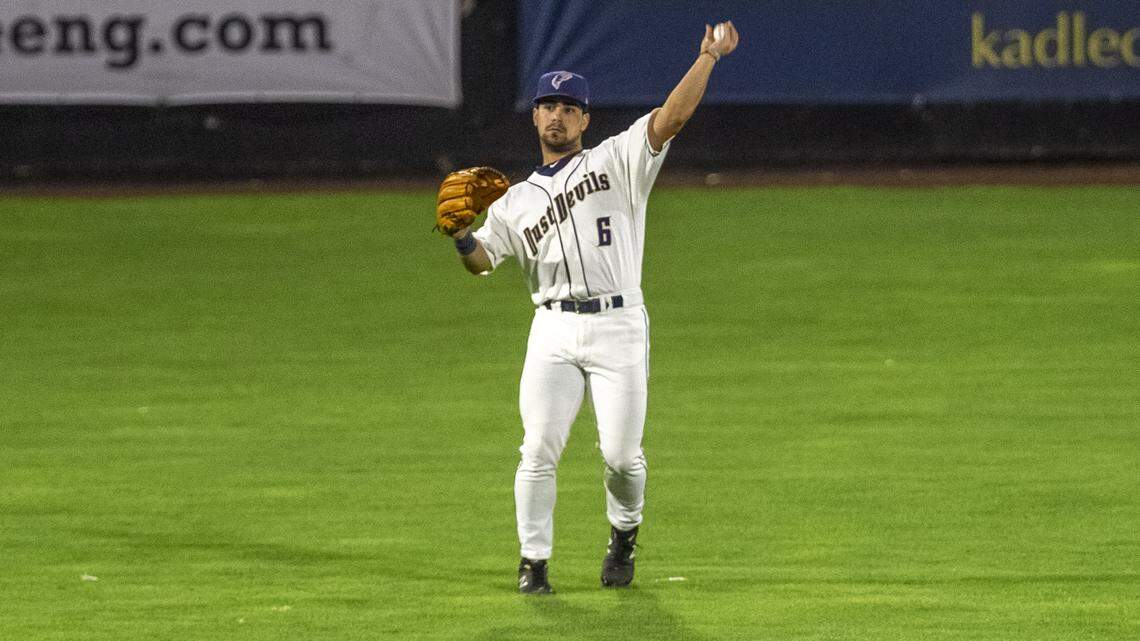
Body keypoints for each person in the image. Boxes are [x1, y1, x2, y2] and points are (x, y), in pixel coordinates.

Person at [448, 22, 739, 593]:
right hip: (552, 331)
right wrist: (462, 238)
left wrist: (707, 57)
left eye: (568, 107)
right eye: (547, 105)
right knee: (536, 449)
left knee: (622, 458)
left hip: (618, 326)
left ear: (584, 119)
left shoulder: (619, 160)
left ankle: (624, 532)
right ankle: (534, 564)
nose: (556, 115)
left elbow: (671, 118)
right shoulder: (513, 201)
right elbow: (485, 262)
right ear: (534, 117)